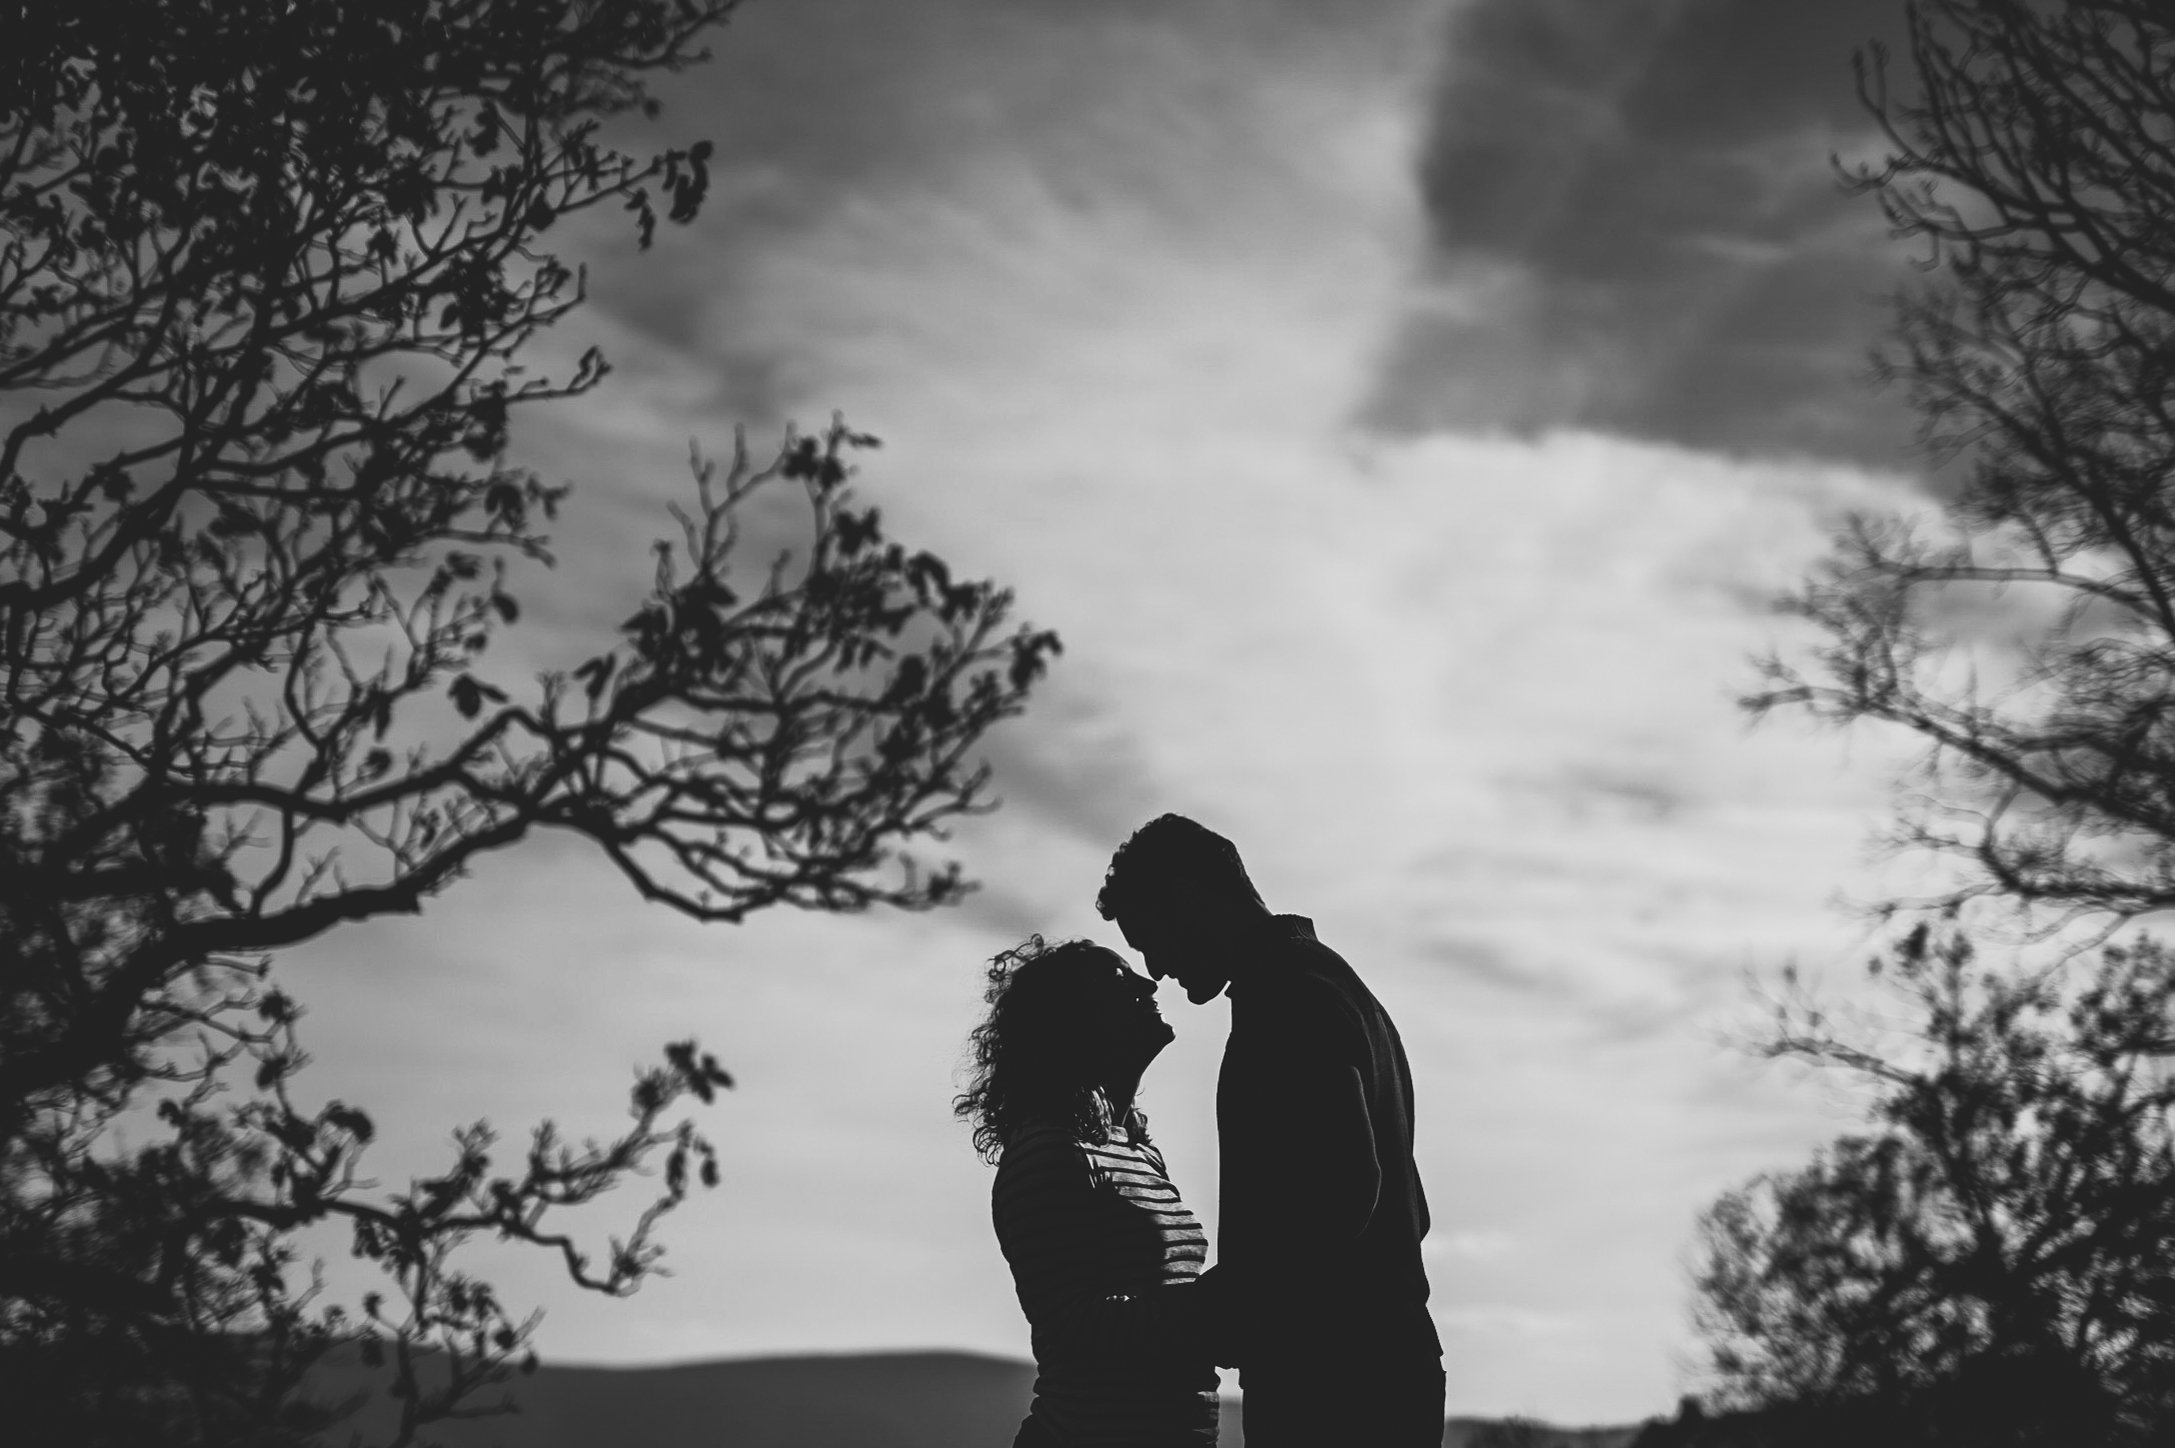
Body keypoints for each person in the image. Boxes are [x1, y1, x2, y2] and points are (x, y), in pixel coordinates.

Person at [1097, 814, 1444, 1447]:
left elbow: (1340, 1191)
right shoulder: (1334, 987)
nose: (1154, 966)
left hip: (1334, 1383)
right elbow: (1403, 1206)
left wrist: (1215, 1313)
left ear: (1190, 897)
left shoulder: (1287, 1000)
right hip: (1380, 1364)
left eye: (1151, 934)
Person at [957, 935, 1220, 1447]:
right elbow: (1072, 1325)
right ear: (1074, 1022)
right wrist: (1217, 1308)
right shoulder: (1048, 1153)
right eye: (1120, 981)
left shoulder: (1136, 1149)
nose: (1149, 982)